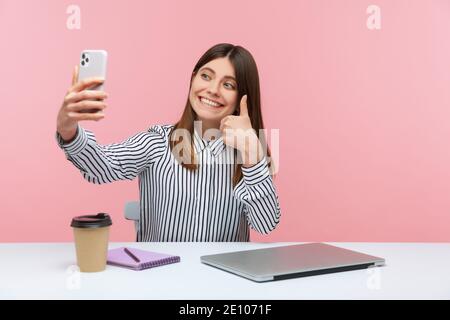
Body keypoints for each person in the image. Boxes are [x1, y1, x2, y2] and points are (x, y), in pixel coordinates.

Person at [56, 43, 281, 242]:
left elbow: (265, 224)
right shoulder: (157, 142)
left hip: (223, 282)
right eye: (206, 76)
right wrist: (68, 128)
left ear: (244, 97)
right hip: (160, 280)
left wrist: (252, 155)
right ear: (192, 78)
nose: (212, 89)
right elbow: (101, 167)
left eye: (228, 85)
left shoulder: (251, 153)